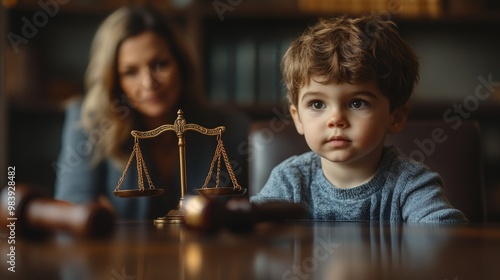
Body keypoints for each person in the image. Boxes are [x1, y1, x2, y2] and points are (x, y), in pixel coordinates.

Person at [250, 15, 467, 223]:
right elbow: (251, 230)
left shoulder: (411, 183)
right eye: (317, 104)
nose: (336, 119)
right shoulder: (290, 181)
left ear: (396, 117)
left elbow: (446, 237)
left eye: (357, 103)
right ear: (297, 118)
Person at [54, 6, 249, 220]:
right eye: (130, 72)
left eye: (160, 64)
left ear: (181, 65)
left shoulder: (231, 129)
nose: (149, 83)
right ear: (114, 82)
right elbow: (74, 212)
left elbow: (246, 215)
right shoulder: (88, 123)